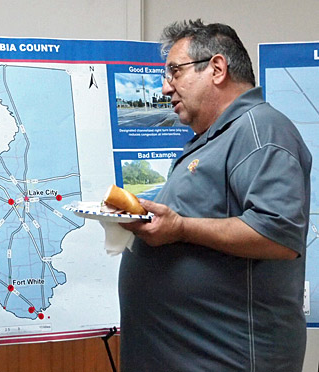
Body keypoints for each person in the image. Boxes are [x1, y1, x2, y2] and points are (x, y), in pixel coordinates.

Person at [119, 20, 311, 372]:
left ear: (217, 68)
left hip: (227, 359)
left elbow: (277, 234)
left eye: (175, 71)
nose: (166, 87)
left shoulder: (260, 128)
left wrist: (180, 228)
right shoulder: (214, 138)